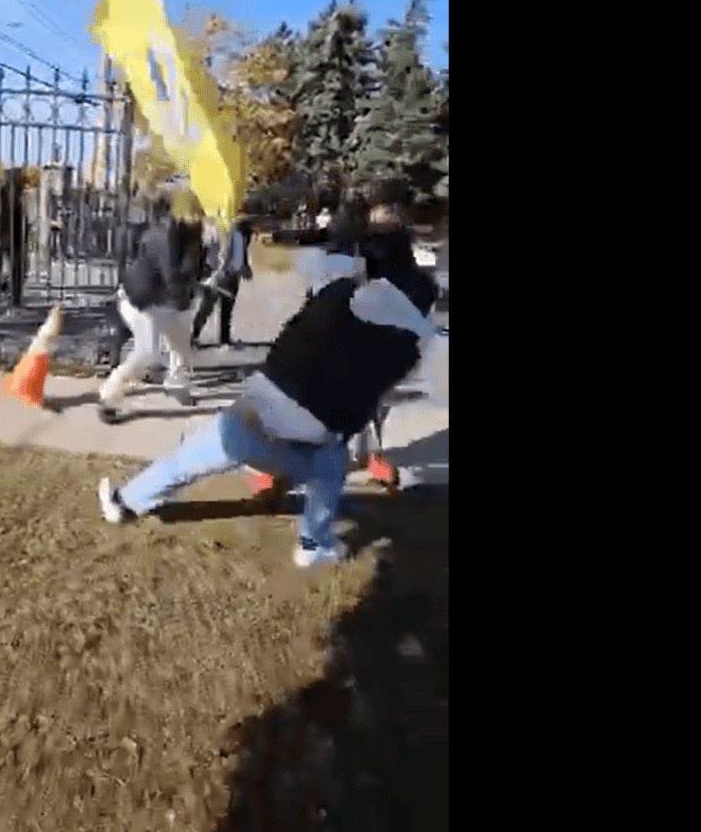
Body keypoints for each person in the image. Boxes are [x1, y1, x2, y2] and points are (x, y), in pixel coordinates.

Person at [97, 219, 443, 568]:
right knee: (329, 466)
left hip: (257, 407)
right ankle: (313, 543)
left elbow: (295, 334)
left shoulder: (340, 293)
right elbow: (368, 401)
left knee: (193, 457)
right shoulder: (406, 346)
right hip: (306, 423)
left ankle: (125, 501)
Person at [96, 190, 207, 423]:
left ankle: (176, 384)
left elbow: (192, 270)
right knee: (147, 352)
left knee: (181, 345)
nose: (205, 215)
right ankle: (108, 397)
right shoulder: (168, 235)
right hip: (143, 301)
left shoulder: (190, 233)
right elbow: (173, 275)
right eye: (201, 211)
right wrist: (197, 281)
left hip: (164, 301)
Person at [192, 214, 254, 348]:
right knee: (223, 308)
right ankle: (222, 338)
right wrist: (244, 270)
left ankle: (195, 336)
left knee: (206, 308)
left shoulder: (226, 230)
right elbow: (238, 260)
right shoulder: (237, 233)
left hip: (216, 275)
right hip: (225, 277)